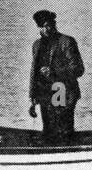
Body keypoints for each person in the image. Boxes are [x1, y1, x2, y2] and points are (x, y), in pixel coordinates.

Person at [27, 9, 84, 143]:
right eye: (43, 26)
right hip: (45, 94)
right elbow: (34, 71)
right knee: (48, 132)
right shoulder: (36, 45)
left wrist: (54, 72)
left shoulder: (67, 42)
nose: (47, 29)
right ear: (38, 27)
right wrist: (32, 95)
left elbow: (78, 69)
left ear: (54, 24)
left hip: (64, 91)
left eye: (49, 25)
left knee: (64, 131)